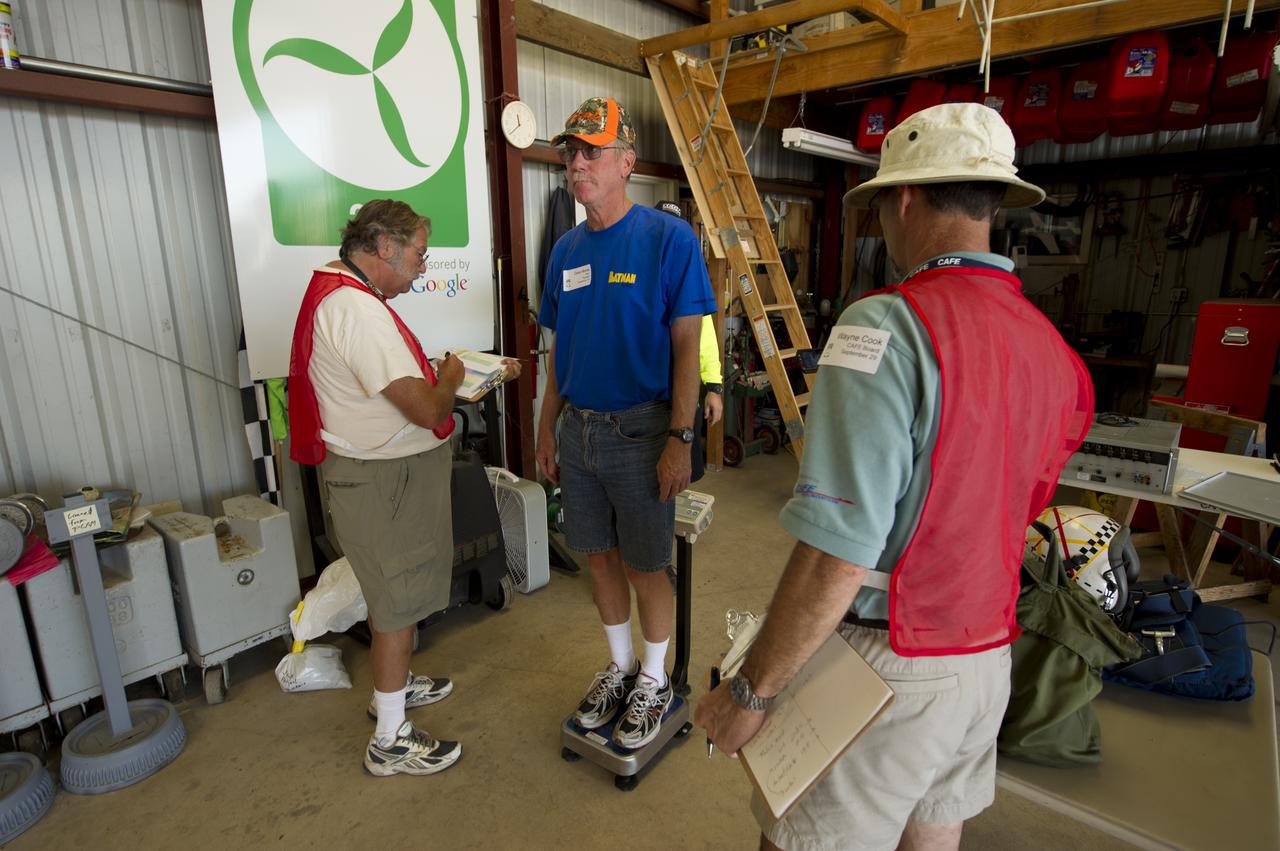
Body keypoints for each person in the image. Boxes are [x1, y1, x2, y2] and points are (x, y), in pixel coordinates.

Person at [695, 103, 1094, 850]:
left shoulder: (880, 328)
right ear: (993, 202)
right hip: (985, 661)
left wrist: (751, 691)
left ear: (902, 199)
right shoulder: (1049, 348)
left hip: (891, 664)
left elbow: (835, 550)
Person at [288, 199, 520, 777]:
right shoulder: (357, 310)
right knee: (394, 604)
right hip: (383, 482)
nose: (423, 265)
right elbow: (423, 408)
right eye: (418, 253)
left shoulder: (348, 298)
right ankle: (390, 740)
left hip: (381, 478)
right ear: (383, 247)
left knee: (402, 590)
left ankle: (392, 690)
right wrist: (451, 379)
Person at [535, 98, 716, 750]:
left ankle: (654, 676)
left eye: (592, 151)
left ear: (627, 162)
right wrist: (544, 427)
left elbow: (688, 350)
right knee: (598, 557)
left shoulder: (669, 241)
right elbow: (562, 350)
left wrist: (681, 439)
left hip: (643, 432)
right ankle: (618, 665)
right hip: (577, 433)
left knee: (646, 565)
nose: (577, 163)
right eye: (570, 153)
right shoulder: (565, 251)